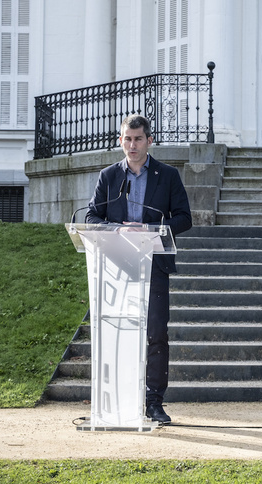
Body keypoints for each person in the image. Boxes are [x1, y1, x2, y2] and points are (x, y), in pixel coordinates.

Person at [86, 114, 192, 424]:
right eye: (127, 139)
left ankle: (154, 402)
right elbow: (92, 218)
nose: (132, 145)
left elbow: (184, 218)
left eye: (138, 139)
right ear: (121, 141)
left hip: (154, 264)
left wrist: (149, 229)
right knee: (119, 332)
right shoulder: (108, 176)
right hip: (116, 265)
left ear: (149, 141)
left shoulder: (167, 175)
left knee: (156, 334)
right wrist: (115, 230)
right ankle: (120, 399)